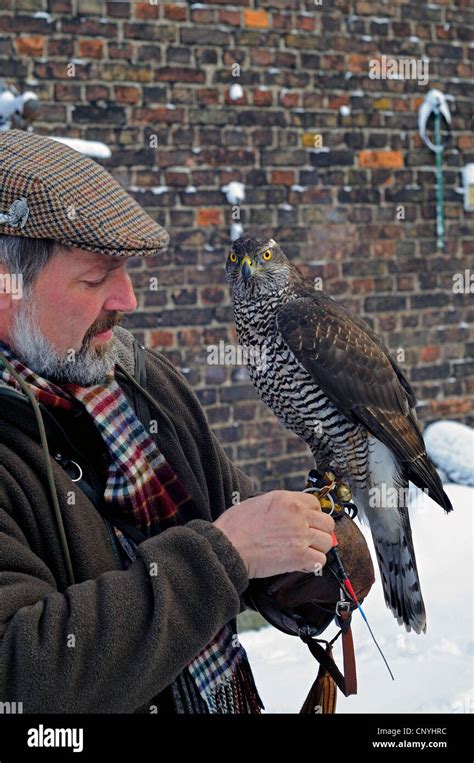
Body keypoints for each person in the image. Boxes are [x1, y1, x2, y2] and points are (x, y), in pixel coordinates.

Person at [0, 130, 335, 714]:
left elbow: (230, 511)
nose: (127, 298)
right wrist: (225, 556)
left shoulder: (136, 377)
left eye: (126, 271)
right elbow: (21, 678)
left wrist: (309, 561)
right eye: (95, 277)